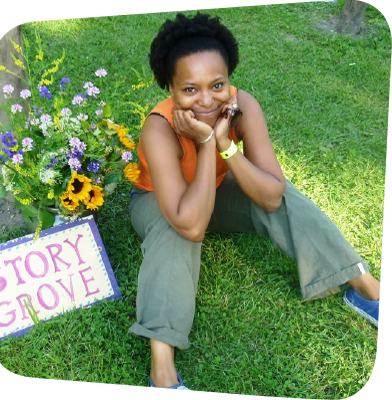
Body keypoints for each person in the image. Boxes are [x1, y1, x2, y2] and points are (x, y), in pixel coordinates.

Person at [127, 12, 392, 399]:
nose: (206, 100)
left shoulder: (243, 107)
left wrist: (223, 144)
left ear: (230, 79)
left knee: (287, 198)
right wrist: (203, 143)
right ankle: (162, 367)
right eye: (189, 89)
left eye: (217, 84)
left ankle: (365, 287)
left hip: (215, 189)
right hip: (160, 203)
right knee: (175, 235)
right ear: (170, 88)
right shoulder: (159, 126)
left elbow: (271, 194)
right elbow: (190, 224)